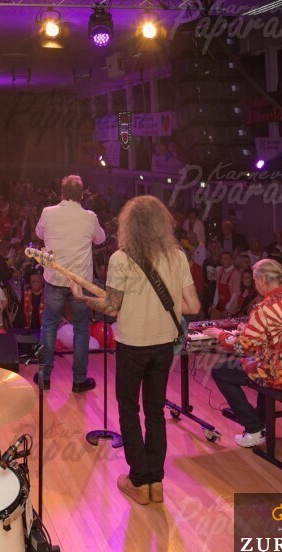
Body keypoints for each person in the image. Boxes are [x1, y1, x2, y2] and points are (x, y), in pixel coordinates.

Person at [68, 195, 200, 505]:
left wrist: (82, 298)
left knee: (129, 410)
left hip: (132, 345)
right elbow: (193, 306)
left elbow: (112, 308)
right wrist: (160, 305)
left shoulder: (121, 259)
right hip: (163, 345)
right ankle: (156, 482)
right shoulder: (177, 257)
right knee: (155, 411)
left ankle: (139, 480)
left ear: (130, 226)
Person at [207, 259, 282, 448]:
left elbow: (243, 347)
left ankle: (254, 428)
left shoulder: (264, 307)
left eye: (255, 280)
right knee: (258, 363)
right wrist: (249, 329)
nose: (255, 285)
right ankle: (260, 421)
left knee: (220, 371)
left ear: (262, 279)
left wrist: (220, 334)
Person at [36, 175, 106, 392]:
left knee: (49, 327)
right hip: (80, 282)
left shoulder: (48, 212)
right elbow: (101, 240)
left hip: (55, 279)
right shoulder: (89, 217)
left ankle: (45, 377)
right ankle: (79, 380)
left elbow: (39, 233)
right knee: (81, 330)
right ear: (82, 195)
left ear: (62, 193)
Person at [209, 251, 241, 319]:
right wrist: (214, 305)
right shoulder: (220, 271)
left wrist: (227, 308)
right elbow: (217, 289)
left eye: (226, 258)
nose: (223, 260)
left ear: (232, 260)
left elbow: (235, 294)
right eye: (222, 258)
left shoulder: (236, 273)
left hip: (232, 308)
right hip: (222, 305)